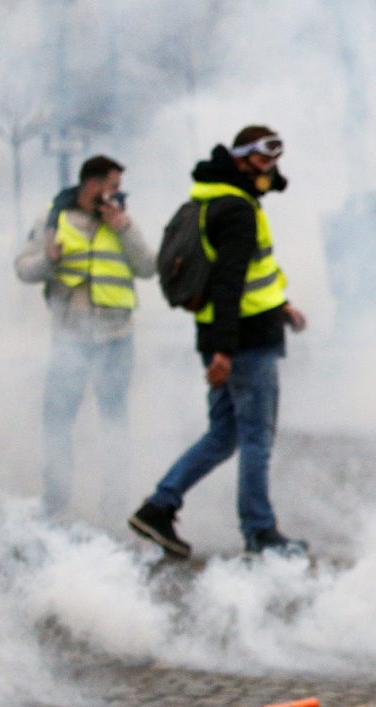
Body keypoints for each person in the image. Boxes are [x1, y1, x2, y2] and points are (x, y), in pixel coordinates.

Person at [128, 126, 309, 560]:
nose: (269, 170)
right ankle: (260, 533)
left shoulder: (215, 196)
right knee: (255, 439)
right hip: (244, 341)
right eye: (262, 161)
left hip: (228, 334)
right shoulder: (236, 209)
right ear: (242, 159)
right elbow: (228, 284)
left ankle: (158, 508)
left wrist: (280, 305)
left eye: (274, 161)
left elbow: (247, 275)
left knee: (224, 435)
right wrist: (225, 351)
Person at [14, 155, 156, 520]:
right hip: (70, 340)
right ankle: (55, 502)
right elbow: (24, 269)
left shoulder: (122, 222)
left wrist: (123, 228)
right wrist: (48, 260)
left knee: (115, 423)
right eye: (111, 187)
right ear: (90, 185)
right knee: (58, 421)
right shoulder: (53, 219)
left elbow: (147, 267)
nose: (116, 196)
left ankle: (114, 505)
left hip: (116, 338)